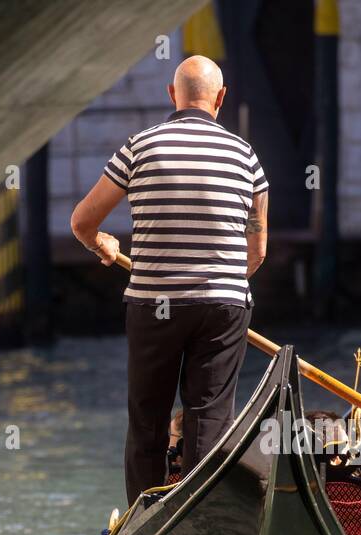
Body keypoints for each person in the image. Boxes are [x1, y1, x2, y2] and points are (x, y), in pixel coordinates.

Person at [70, 55, 269, 505]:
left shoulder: (139, 147)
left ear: (171, 95)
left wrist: (103, 243)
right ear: (221, 98)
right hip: (224, 305)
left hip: (154, 303)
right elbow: (256, 250)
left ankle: (145, 519)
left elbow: (82, 221)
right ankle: (198, 512)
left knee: (148, 419)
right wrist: (220, 287)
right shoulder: (246, 158)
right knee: (209, 417)